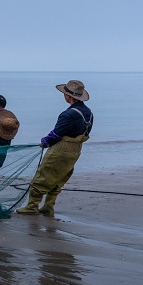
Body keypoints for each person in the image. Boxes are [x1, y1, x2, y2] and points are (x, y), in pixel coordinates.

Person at [17, 80, 93, 217]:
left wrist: (44, 142)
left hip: (61, 150)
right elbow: (86, 132)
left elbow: (56, 134)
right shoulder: (89, 113)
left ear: (69, 97)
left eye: (65, 94)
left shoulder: (68, 114)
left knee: (42, 176)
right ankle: (48, 206)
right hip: (76, 150)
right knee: (60, 177)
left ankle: (32, 206)